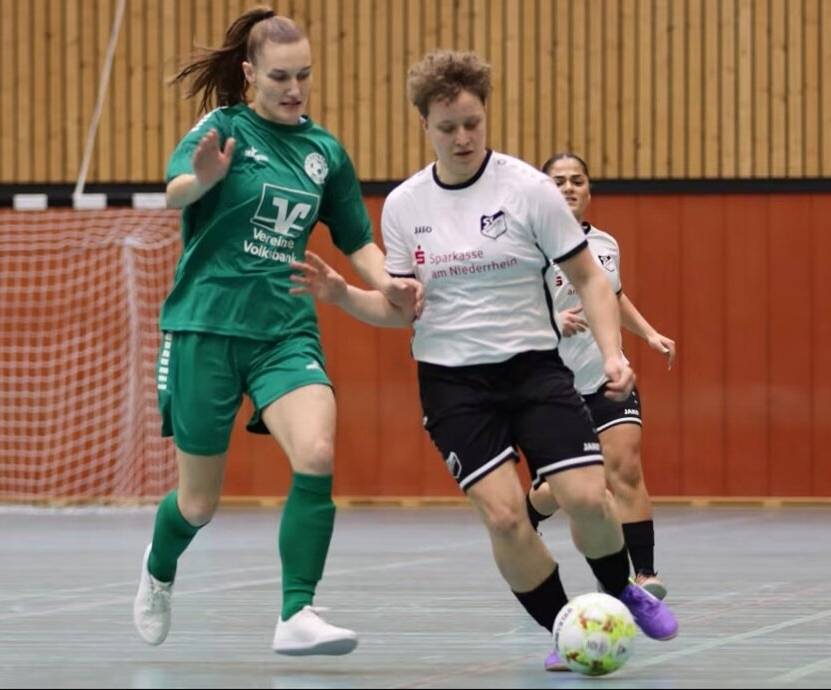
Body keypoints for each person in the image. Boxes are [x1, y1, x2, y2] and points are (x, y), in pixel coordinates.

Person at [289, 49, 678, 671]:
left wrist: (612, 354)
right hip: (451, 384)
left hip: (532, 367)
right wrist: (341, 295)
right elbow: (398, 311)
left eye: (472, 122)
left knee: (586, 495)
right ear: (425, 126)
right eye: (448, 127)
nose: (463, 137)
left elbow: (590, 278)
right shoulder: (405, 206)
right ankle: (565, 628)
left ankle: (620, 589)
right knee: (504, 517)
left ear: (484, 115)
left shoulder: (529, 189)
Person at [133, 7, 420, 656]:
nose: (294, 89)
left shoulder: (324, 154)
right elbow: (176, 191)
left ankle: (297, 611)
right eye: (281, 77)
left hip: (284, 332)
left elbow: (357, 242)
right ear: (250, 74)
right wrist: (203, 178)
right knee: (199, 505)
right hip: (204, 328)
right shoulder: (223, 128)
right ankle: (159, 565)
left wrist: (390, 285)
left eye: (305, 76)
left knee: (316, 453)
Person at [526, 153, 677, 601]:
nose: (569, 188)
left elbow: (611, 295)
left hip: (605, 377)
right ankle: (530, 513)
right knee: (565, 493)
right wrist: (554, 320)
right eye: (558, 181)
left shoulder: (606, 245)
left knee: (626, 468)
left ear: (589, 190)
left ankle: (644, 574)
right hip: (550, 386)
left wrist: (649, 334)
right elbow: (510, 312)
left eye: (577, 180)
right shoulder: (525, 247)